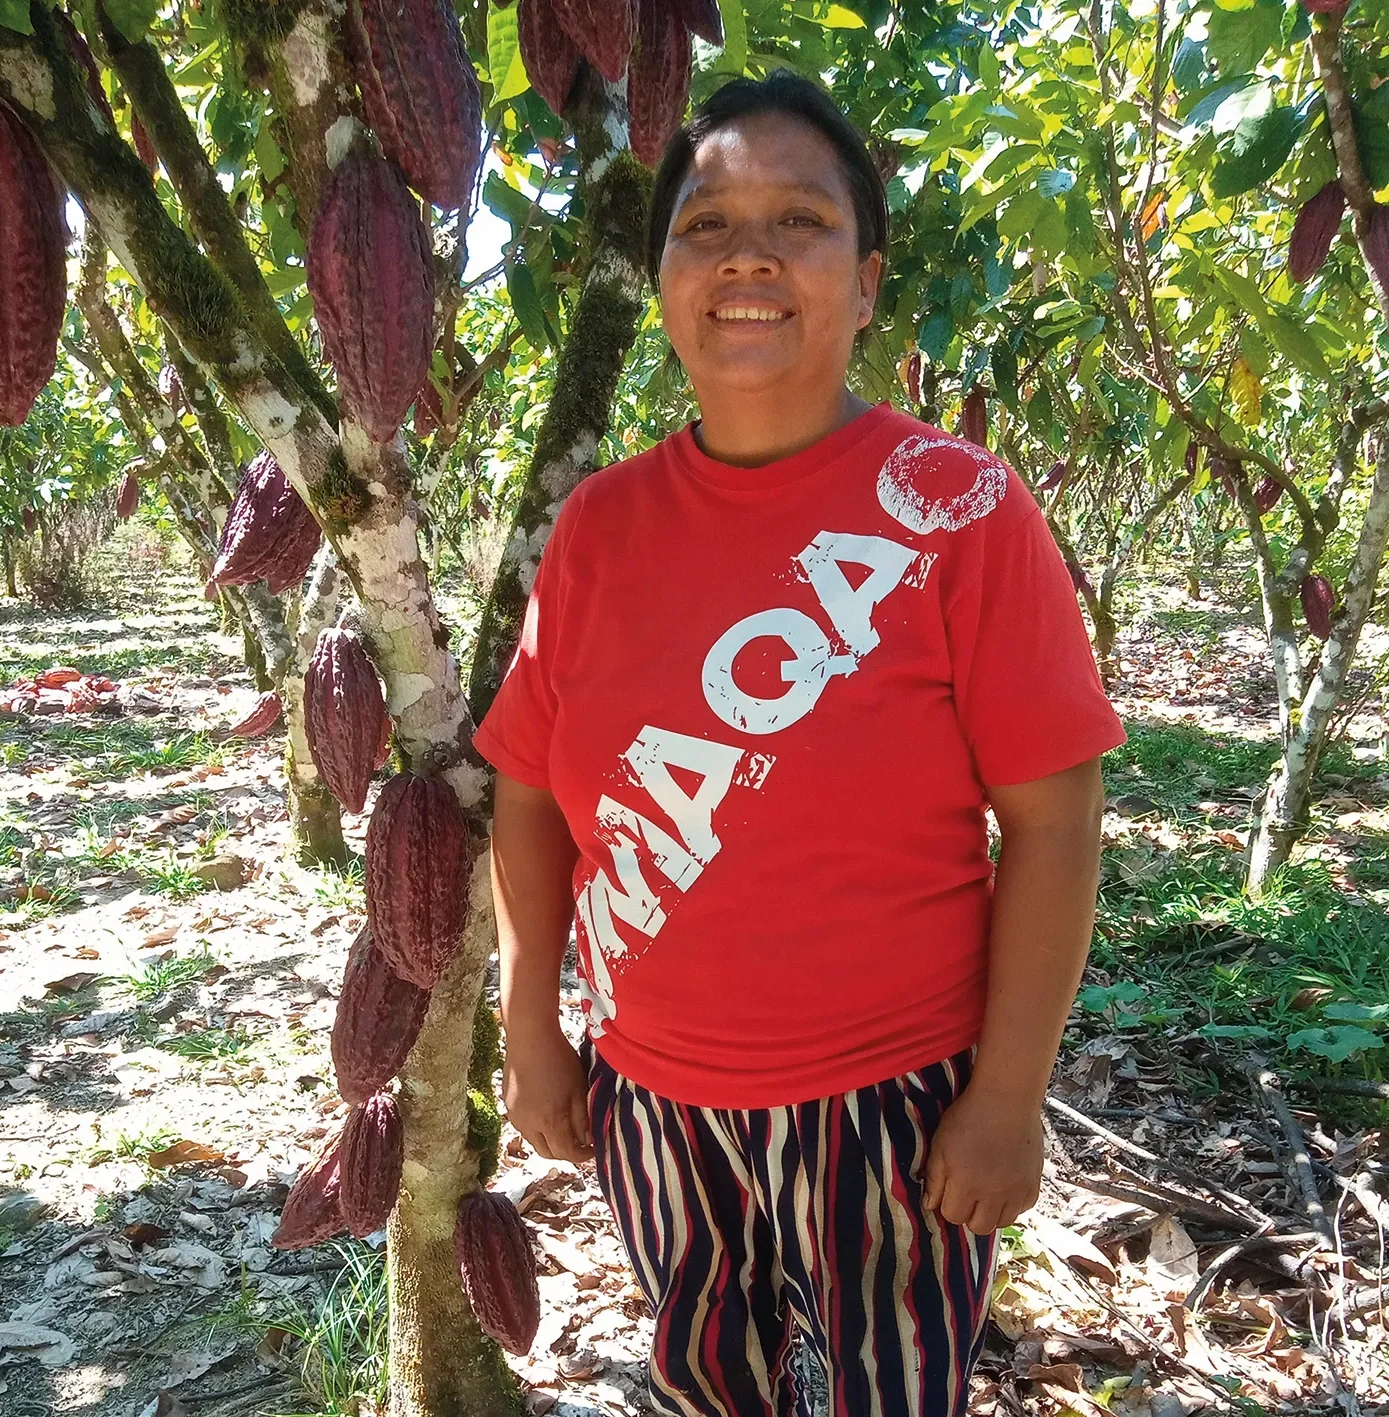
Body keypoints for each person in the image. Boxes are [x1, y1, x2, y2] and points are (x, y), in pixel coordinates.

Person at [472, 69, 1127, 1417]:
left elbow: (1054, 823)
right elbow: (532, 791)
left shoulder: (956, 510)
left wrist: (1009, 1099)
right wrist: (532, 1016)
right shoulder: (596, 527)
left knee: (877, 1393)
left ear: (870, 281)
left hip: (886, 1104)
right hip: (651, 1096)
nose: (748, 256)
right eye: (704, 225)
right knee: (709, 1374)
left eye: (800, 222)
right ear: (661, 278)